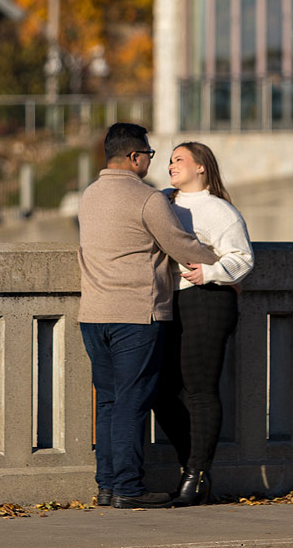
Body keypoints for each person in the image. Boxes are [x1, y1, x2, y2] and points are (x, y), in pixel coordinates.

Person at [77, 123, 221, 509]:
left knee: (109, 402)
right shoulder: (147, 198)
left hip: (93, 314)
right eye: (149, 154)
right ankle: (128, 488)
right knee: (132, 401)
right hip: (135, 315)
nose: (151, 161)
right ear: (135, 157)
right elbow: (180, 245)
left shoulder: (89, 195)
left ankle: (107, 486)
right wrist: (224, 265)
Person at [155, 141, 254, 507]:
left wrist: (210, 272)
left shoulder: (219, 210)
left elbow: (243, 258)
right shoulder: (163, 203)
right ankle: (194, 469)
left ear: (201, 167)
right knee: (160, 390)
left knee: (200, 390)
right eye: (169, 161)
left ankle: (195, 476)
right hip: (171, 302)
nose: (171, 165)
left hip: (208, 300)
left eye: (179, 159)